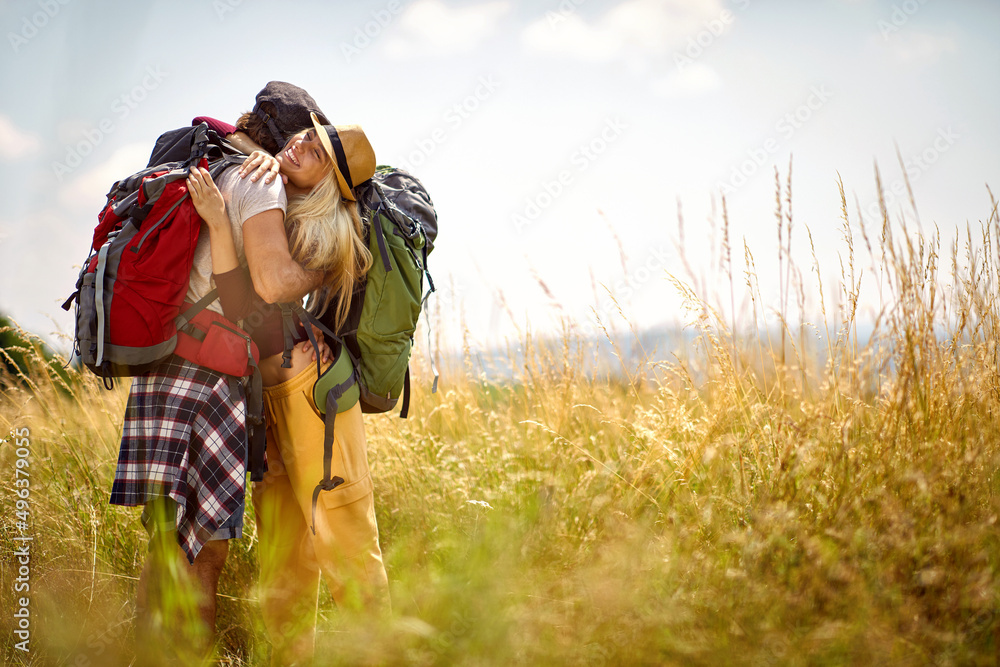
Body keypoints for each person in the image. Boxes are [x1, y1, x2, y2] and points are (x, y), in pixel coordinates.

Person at [108, 84, 352, 656]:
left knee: (166, 545)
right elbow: (267, 286)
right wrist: (327, 269)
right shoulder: (258, 178)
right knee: (207, 554)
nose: (303, 155)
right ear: (280, 140)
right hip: (208, 379)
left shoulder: (210, 162)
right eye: (304, 141)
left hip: (163, 371)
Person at [191, 111, 391, 665]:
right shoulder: (279, 197)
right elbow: (244, 304)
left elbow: (262, 294)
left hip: (312, 390)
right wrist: (223, 209)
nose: (302, 143)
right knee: (284, 543)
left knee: (343, 530)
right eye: (306, 134)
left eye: (320, 150)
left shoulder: (335, 231)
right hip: (268, 392)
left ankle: (383, 652)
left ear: (331, 182)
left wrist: (310, 292)